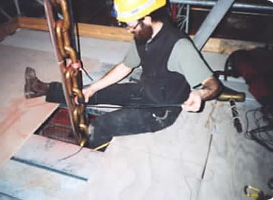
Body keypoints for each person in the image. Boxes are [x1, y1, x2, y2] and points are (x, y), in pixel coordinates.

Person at [25, 0, 221, 149]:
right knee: (89, 92)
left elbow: (212, 84)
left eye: (129, 25)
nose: (128, 30)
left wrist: (199, 95)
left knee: (102, 124)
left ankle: (87, 148)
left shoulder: (180, 46)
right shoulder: (143, 34)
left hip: (161, 110)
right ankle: (41, 89)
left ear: (147, 18)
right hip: (145, 89)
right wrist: (92, 89)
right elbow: (126, 66)